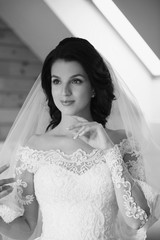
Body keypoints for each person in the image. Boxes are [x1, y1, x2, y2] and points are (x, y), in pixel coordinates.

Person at [0, 37, 159, 240]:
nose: (64, 92)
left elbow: (137, 219)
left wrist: (110, 151)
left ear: (93, 87)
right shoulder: (34, 148)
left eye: (76, 81)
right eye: (56, 81)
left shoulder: (122, 143)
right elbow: (26, 227)